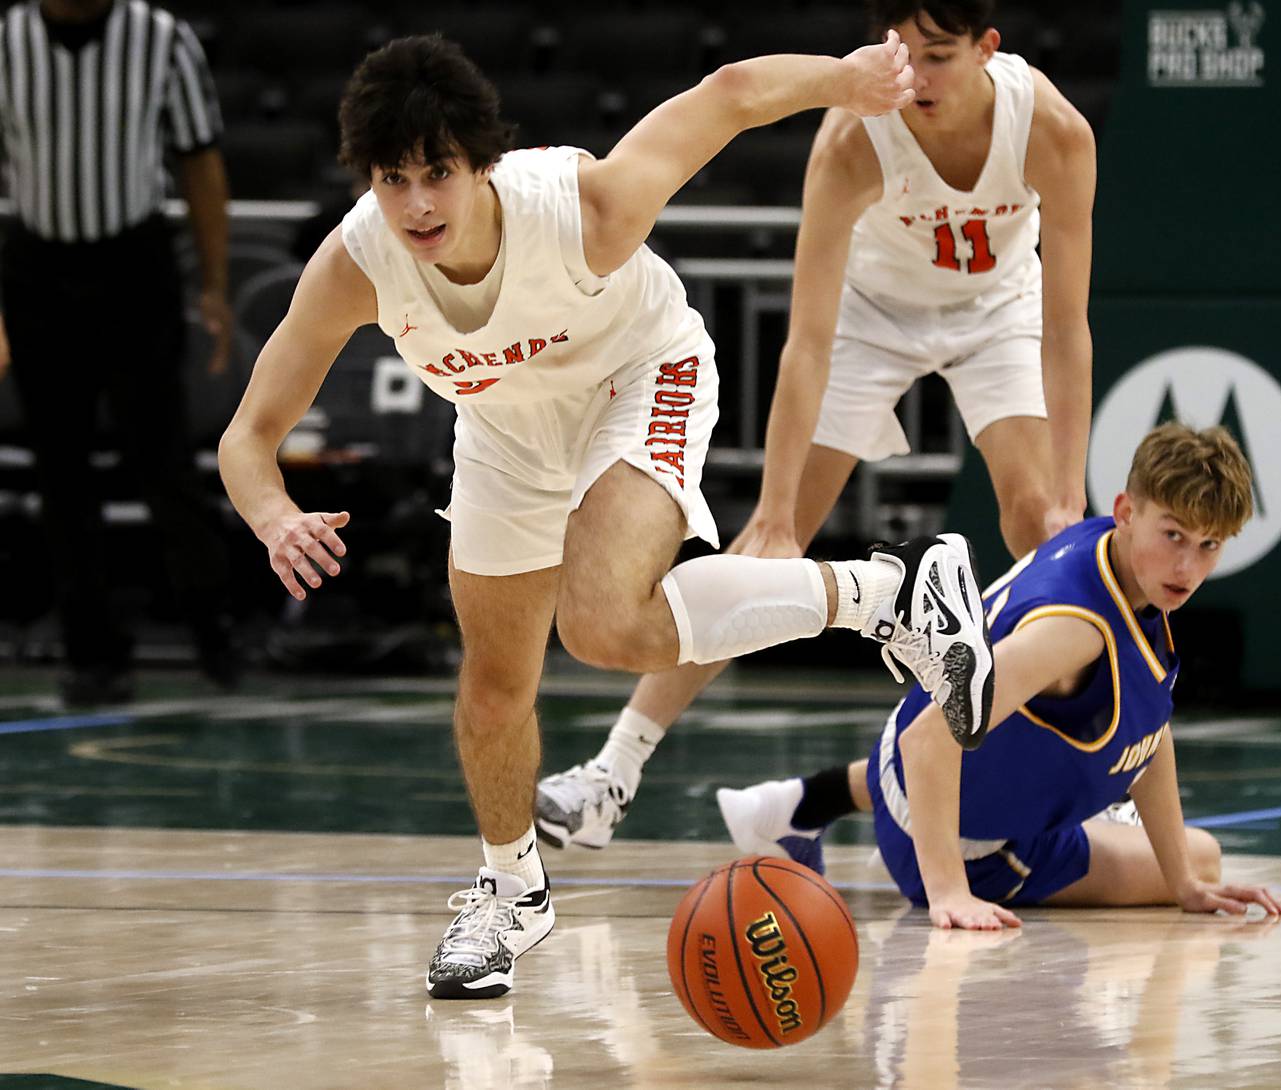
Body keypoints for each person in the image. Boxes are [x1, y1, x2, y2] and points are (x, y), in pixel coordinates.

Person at [217, 34, 996, 1000]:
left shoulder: (581, 211)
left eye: (438, 174)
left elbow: (729, 93)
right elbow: (248, 436)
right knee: (494, 687)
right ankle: (511, 893)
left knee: (603, 623)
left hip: (642, 375)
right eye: (393, 178)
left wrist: (848, 82)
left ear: (479, 165)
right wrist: (273, 516)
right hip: (504, 427)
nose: (418, 203)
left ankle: (888, 591)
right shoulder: (357, 263)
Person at [536, 0, 1096, 851]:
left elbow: (1066, 330)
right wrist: (770, 508)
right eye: (899, 54)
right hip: (869, 319)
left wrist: (1067, 487)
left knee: (1048, 530)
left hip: (998, 309)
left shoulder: (1053, 130)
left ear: (990, 49)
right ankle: (614, 772)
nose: (915, 79)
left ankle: (1100, 786)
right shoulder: (854, 137)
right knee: (771, 552)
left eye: (938, 56)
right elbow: (806, 342)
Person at [718, 423, 1281, 929]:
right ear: (1127, 511)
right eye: (1174, 536)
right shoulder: (1075, 633)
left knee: (1180, 846)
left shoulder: (1104, 550)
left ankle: (803, 802)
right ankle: (893, 838)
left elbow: (1149, 728)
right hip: (970, 845)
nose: (1187, 566)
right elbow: (929, 741)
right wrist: (948, 891)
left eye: (1208, 545)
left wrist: (1182, 884)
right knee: (1206, 852)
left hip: (906, 768)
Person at [0, 0, 236, 706]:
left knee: (163, 460)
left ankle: (213, 631)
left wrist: (217, 287)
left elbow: (201, 165)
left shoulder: (161, 38)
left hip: (133, 266)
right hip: (37, 266)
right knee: (59, 470)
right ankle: (92, 653)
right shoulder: (6, 40)